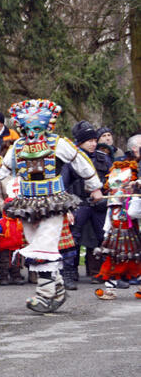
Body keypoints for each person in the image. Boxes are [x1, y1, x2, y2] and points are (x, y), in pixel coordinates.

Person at [0, 100, 103, 313]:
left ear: (47, 126)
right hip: (26, 203)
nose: (33, 132)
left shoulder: (58, 143)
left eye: (37, 128)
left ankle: (44, 295)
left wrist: (94, 187)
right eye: (28, 128)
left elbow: (81, 162)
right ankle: (57, 288)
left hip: (53, 202)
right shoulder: (18, 146)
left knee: (43, 246)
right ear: (22, 127)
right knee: (35, 243)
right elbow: (3, 170)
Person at [62, 120, 112, 286]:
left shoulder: (103, 158)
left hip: (99, 204)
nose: (93, 144)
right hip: (79, 203)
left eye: (94, 140)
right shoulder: (70, 161)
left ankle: (105, 272)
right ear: (80, 142)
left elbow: (113, 181)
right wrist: (67, 207)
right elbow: (64, 184)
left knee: (104, 238)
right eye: (89, 141)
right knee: (72, 239)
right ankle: (69, 273)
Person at [92, 159, 141, 299]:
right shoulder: (113, 203)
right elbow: (109, 218)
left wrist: (135, 196)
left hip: (131, 237)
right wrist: (107, 229)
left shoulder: (133, 200)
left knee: (135, 260)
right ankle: (110, 289)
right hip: (115, 238)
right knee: (113, 260)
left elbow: (133, 214)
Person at [0, 198, 25, 285]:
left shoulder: (18, 221)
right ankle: (4, 277)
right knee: (4, 262)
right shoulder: (2, 221)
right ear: (6, 212)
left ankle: (16, 277)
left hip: (16, 246)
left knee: (16, 263)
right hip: (5, 246)